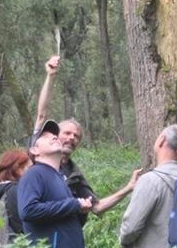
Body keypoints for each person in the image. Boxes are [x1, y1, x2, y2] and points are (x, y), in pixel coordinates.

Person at [32, 55, 139, 215]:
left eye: (76, 136)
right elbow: (42, 114)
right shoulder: (38, 153)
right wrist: (51, 76)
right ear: (54, 135)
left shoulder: (74, 174)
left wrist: (129, 188)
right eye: (67, 133)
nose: (71, 138)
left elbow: (97, 207)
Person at [19, 119, 93, 248]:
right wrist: (73, 204)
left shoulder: (59, 178)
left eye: (54, 134)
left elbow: (61, 216)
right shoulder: (35, 174)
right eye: (45, 136)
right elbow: (28, 210)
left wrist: (79, 210)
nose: (53, 137)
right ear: (34, 151)